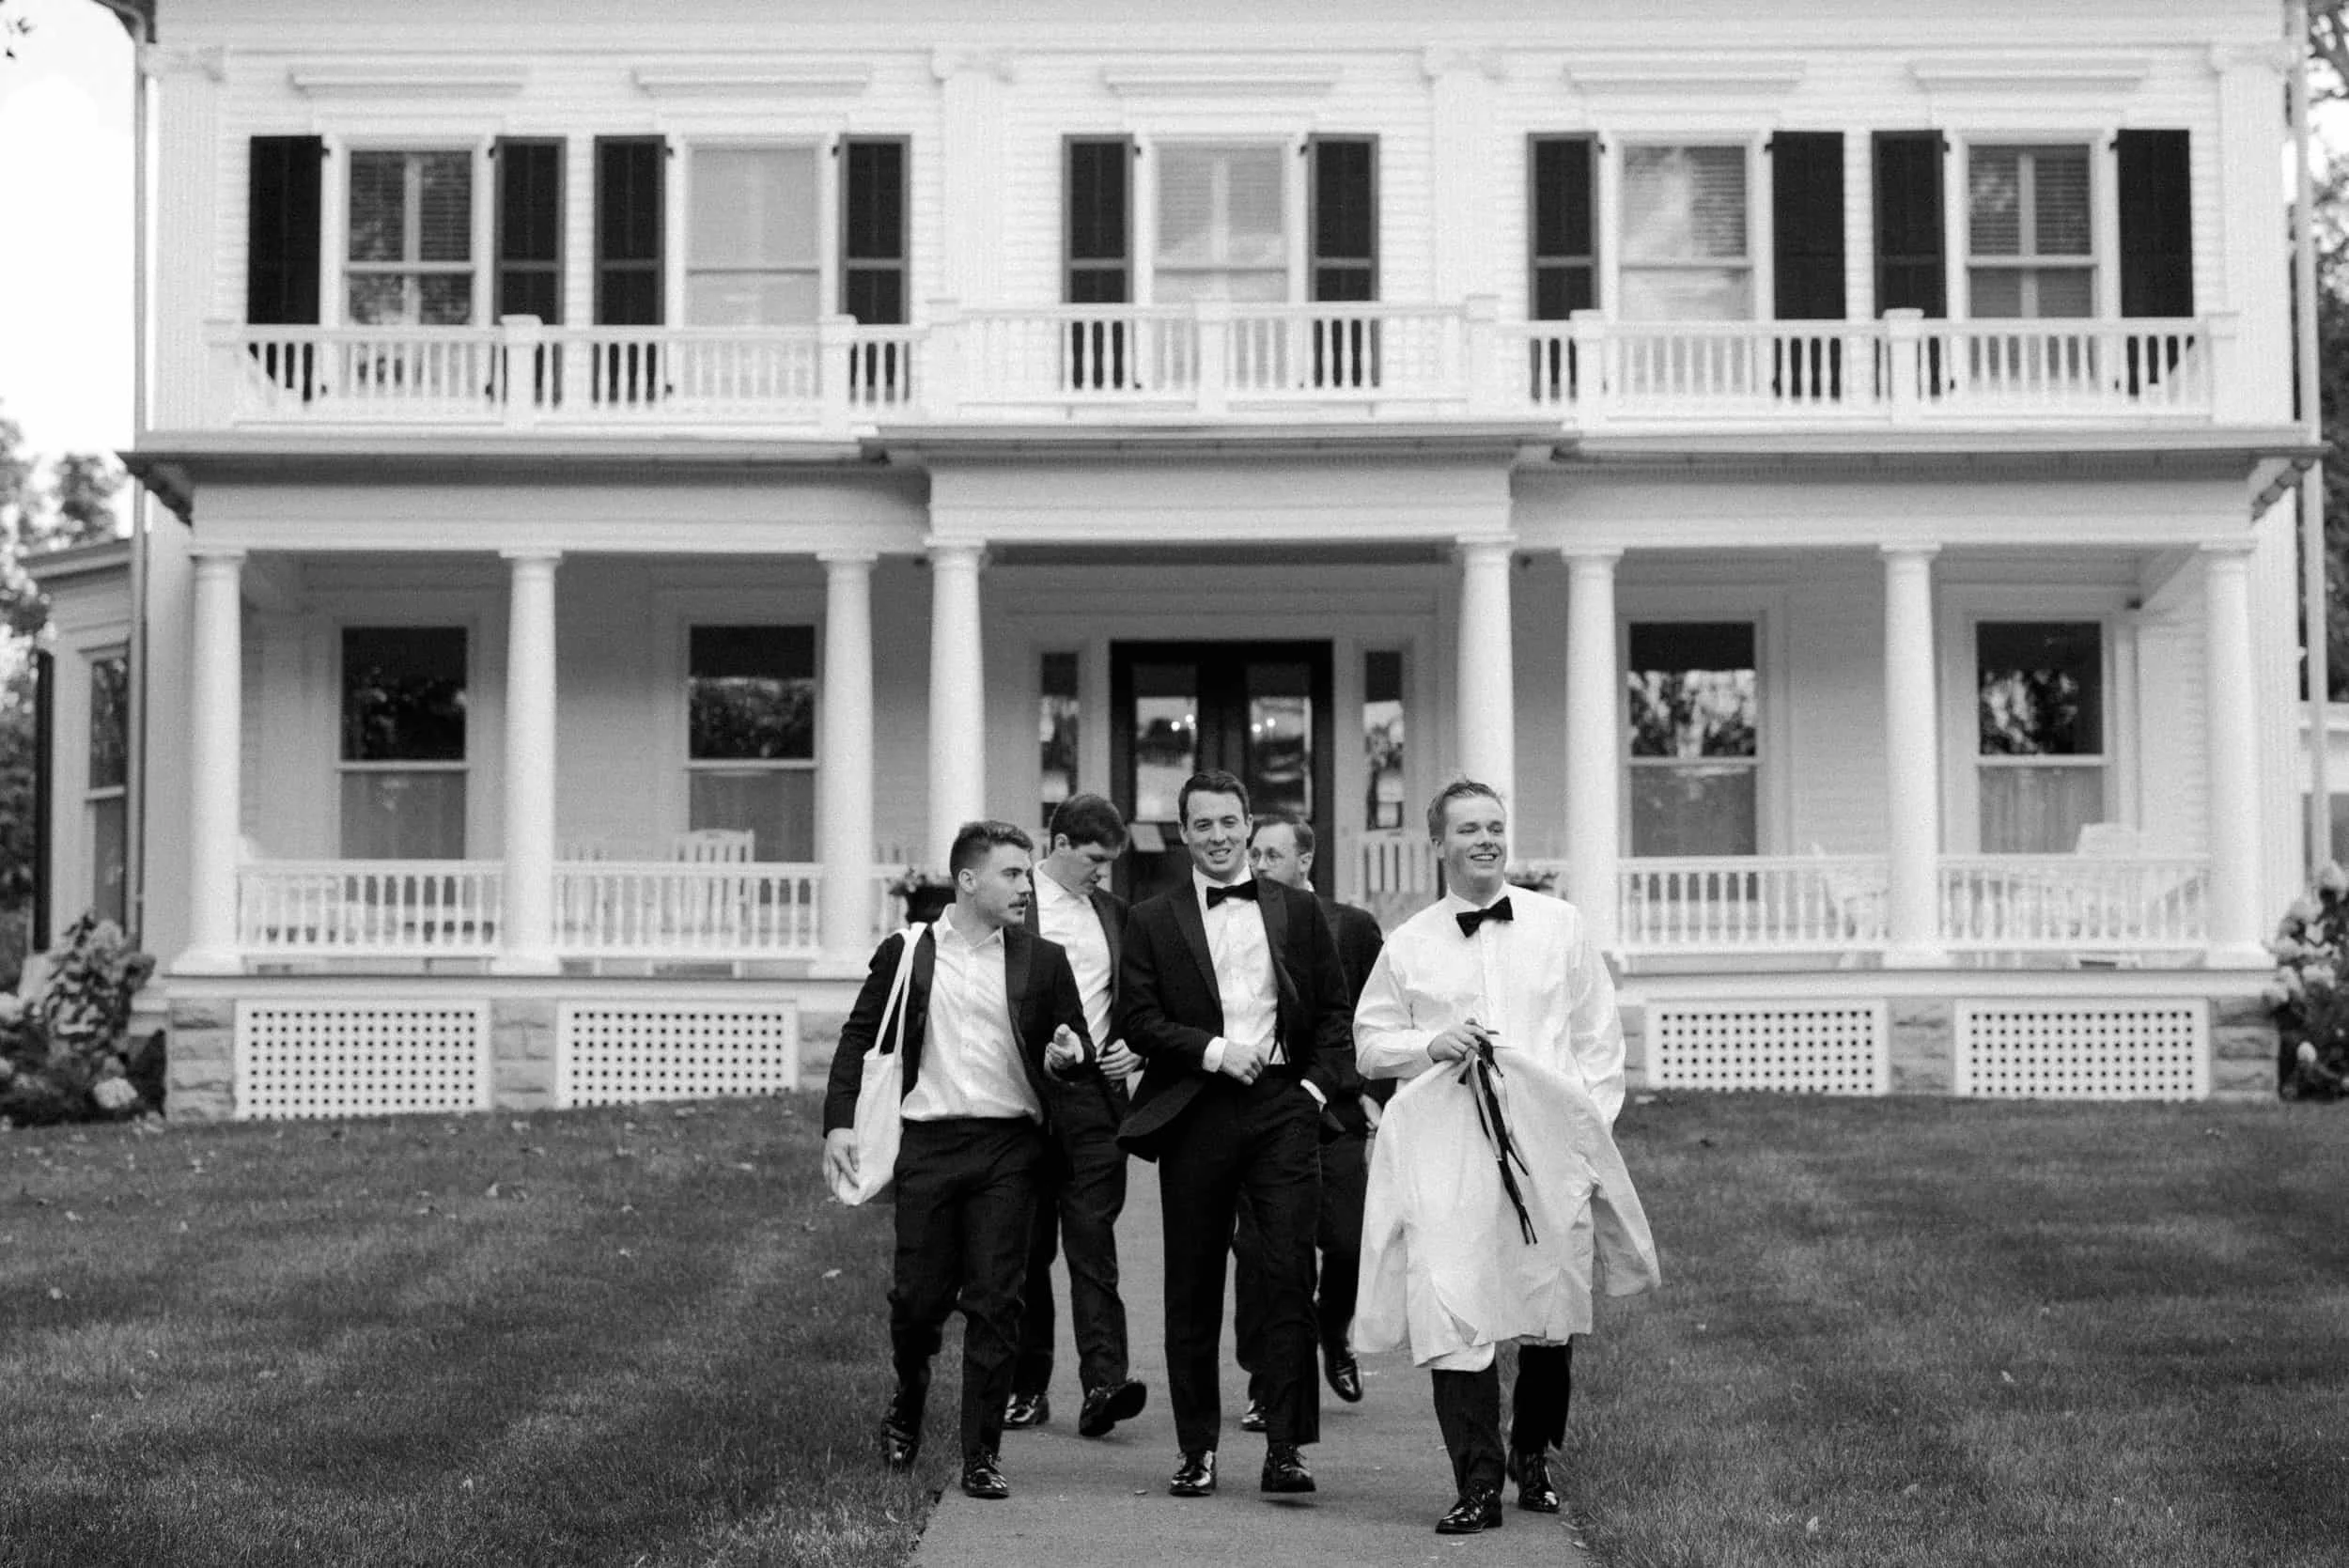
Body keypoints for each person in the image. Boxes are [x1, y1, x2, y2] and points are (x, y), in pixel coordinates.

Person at [1352, 781, 1659, 1535]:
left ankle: (1533, 1457)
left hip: (1546, 1149)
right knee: (1454, 1303)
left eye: (1495, 826)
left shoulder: (1560, 925)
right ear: (1440, 844)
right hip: (1451, 1151)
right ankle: (1477, 1482)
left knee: (1548, 1309)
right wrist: (1429, 1043)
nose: (1485, 839)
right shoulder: (1410, 942)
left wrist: (1585, 1136)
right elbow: (1367, 1041)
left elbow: (1596, 1039)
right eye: (1468, 829)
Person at [821, 819, 1097, 1502]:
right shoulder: (908, 951)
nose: (1025, 886)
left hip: (1010, 1147)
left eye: (1027, 873)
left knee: (998, 1301)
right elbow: (859, 1036)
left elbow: (1076, 1045)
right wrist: (837, 1125)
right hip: (930, 1145)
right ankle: (907, 1402)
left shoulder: (1043, 959)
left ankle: (981, 1453)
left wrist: (1069, 1054)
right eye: (1011, 873)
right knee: (917, 1302)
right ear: (967, 879)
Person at [1116, 769, 1354, 1499]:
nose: (1217, 836)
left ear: (1249, 824)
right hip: (1196, 1109)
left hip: (1285, 1109)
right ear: (1182, 832)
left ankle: (1285, 1447)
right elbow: (1138, 1020)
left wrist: (1312, 1093)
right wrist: (1214, 1050)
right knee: (1191, 1284)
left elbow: (1336, 1015)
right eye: (1202, 824)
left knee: (1287, 1275)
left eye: (1229, 821)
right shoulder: (1152, 919)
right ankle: (1197, 1449)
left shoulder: (1297, 912)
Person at [1003, 794, 1150, 1438]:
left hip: (1095, 1100)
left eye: (1110, 862)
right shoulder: (1012, 904)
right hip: (1023, 1094)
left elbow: (1141, 999)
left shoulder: (1114, 915)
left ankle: (1103, 1384)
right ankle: (1027, 1387)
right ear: (1058, 842)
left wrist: (1134, 1044)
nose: (1103, 872)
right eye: (1094, 859)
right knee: (1028, 1250)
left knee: (1094, 1244)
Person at [1234, 815, 1384, 1428]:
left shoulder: (1351, 925)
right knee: (1261, 1252)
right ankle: (1265, 1379)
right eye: (1256, 853)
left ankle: (1332, 1324)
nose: (1261, 863)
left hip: (1337, 1108)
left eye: (1274, 853)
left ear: (1306, 859)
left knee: (1347, 1241)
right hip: (1259, 1110)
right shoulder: (1238, 924)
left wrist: (1376, 1096)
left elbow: (1382, 1015)